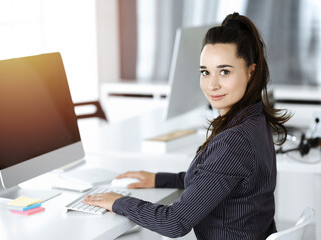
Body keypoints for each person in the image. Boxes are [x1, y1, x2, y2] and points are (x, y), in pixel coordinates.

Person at [84, 12, 291, 239]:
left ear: (250, 72)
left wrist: (118, 202)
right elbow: (214, 179)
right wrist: (158, 179)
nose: (212, 85)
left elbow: (174, 223)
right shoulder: (254, 119)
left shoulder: (233, 142)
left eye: (224, 72)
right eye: (205, 72)